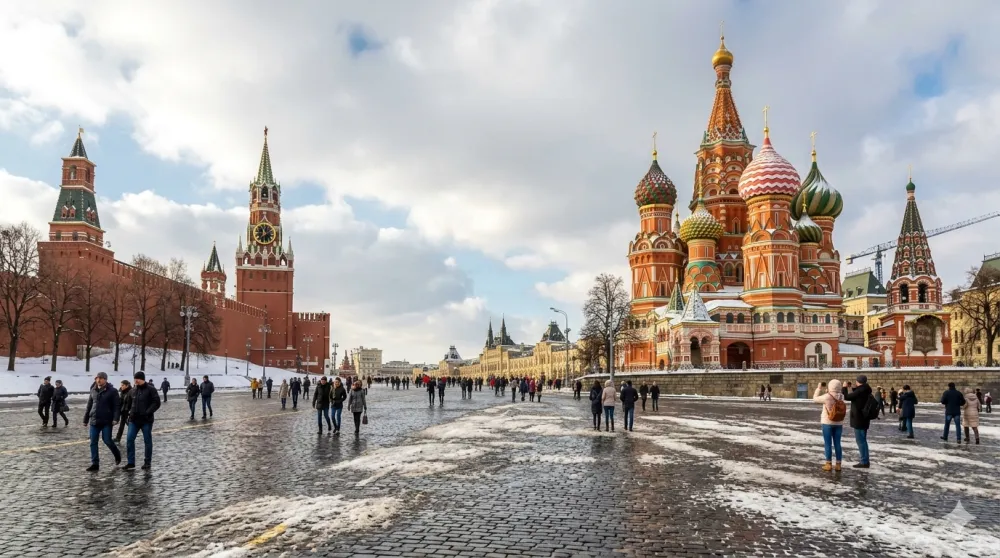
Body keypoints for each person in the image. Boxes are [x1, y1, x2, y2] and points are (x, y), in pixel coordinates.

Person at [83, 372, 122, 471]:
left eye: (100, 378)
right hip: (94, 420)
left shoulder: (112, 391)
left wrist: (116, 418)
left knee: (107, 440)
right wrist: (86, 419)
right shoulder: (93, 390)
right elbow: (89, 405)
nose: (98, 380)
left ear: (105, 379)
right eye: (97, 378)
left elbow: (117, 406)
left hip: (107, 421)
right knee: (93, 442)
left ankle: (117, 454)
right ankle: (95, 464)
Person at [126, 371, 161, 470]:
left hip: (146, 420)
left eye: (137, 378)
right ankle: (130, 462)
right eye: (135, 378)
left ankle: (147, 461)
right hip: (134, 420)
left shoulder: (151, 389)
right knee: (129, 439)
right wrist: (128, 414)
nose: (135, 380)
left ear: (142, 379)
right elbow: (128, 404)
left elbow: (156, 402)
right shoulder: (132, 390)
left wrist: (147, 412)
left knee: (147, 440)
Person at [813, 380, 846, 471]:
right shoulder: (841, 396)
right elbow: (836, 394)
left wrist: (819, 388)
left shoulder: (827, 396)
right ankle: (838, 464)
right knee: (837, 443)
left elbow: (815, 399)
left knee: (828, 443)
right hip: (839, 423)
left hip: (827, 423)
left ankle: (828, 464)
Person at [843, 375, 874, 468]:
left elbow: (847, 397)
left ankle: (864, 461)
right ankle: (865, 460)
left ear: (858, 381)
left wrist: (844, 387)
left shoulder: (860, 391)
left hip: (859, 418)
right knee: (863, 440)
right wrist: (853, 388)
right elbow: (857, 395)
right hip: (864, 418)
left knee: (861, 441)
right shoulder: (866, 389)